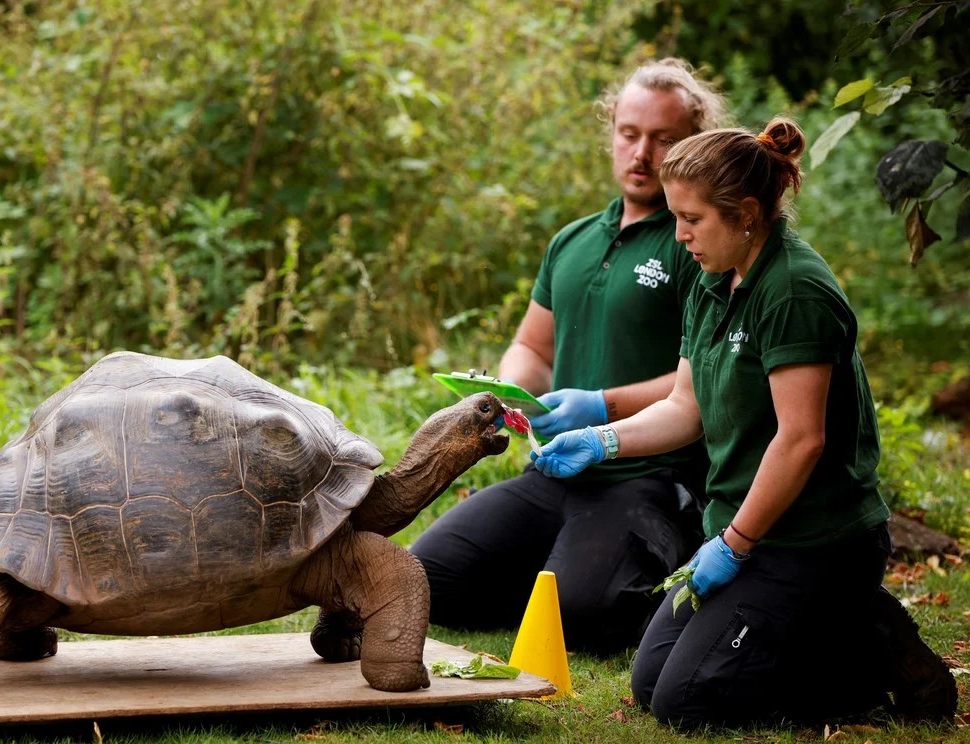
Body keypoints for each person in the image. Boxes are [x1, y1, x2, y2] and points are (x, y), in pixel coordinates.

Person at [528, 117, 957, 726]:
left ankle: (871, 653)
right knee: (652, 684)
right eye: (676, 218)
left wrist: (734, 544)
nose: (679, 236)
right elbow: (686, 407)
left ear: (748, 213)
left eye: (692, 220)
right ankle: (832, 626)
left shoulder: (794, 292)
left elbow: (802, 439)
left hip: (810, 540)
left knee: (689, 701)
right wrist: (602, 439)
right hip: (743, 529)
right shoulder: (711, 279)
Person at [410, 59, 729, 654]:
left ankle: (621, 576)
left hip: (648, 478)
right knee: (424, 582)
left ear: (693, 147)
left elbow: (706, 385)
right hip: (555, 471)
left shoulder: (697, 241)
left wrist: (599, 406)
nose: (642, 153)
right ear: (611, 132)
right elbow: (532, 346)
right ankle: (565, 581)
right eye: (629, 133)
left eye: (664, 140)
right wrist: (506, 397)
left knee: (581, 620)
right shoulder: (574, 239)